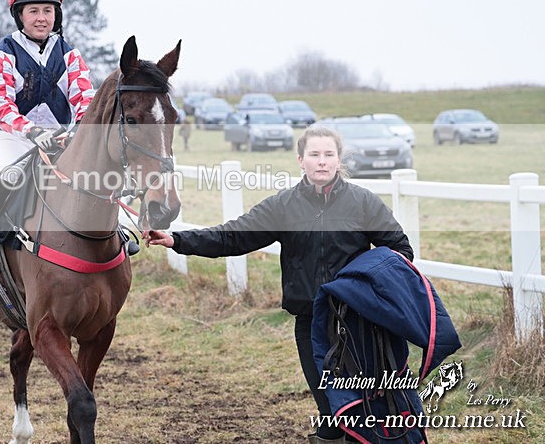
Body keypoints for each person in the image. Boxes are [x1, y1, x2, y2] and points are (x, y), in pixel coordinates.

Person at [145, 126, 413, 444]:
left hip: (359, 325)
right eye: (314, 155)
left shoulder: (363, 203)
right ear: (301, 160)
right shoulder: (283, 206)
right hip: (312, 324)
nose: (322, 162)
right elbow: (233, 236)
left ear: (339, 160)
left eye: (329, 155)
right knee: (329, 406)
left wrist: (365, 288)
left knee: (357, 408)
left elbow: (400, 251)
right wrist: (177, 239)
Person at [0, 0, 95, 267]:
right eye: (33, 11)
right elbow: (0, 103)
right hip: (11, 136)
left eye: (48, 11)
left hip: (59, 138)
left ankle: (117, 234)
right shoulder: (4, 53)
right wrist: (31, 131)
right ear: (20, 15)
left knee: (93, 176)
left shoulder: (70, 55)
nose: (42, 18)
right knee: (5, 175)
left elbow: (85, 97)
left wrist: (80, 130)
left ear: (56, 16)